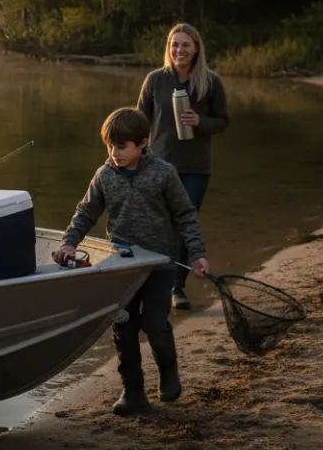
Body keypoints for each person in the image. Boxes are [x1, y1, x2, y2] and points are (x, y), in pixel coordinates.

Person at [54, 107, 210, 416]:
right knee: (123, 327)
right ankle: (133, 392)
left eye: (122, 146)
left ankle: (168, 371)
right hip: (123, 267)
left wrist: (197, 253)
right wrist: (69, 242)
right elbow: (86, 212)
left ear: (142, 143)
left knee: (154, 324)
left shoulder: (163, 173)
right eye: (110, 146)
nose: (114, 153)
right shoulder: (104, 176)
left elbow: (185, 215)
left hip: (159, 267)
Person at [137, 23, 229, 310]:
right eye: (175, 44)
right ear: (169, 48)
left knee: (184, 224)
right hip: (158, 165)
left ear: (196, 48)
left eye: (186, 44)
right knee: (158, 224)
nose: (180, 50)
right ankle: (152, 283)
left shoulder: (210, 82)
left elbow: (223, 121)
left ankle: (177, 288)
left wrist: (200, 122)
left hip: (195, 168)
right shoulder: (155, 80)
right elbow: (140, 121)